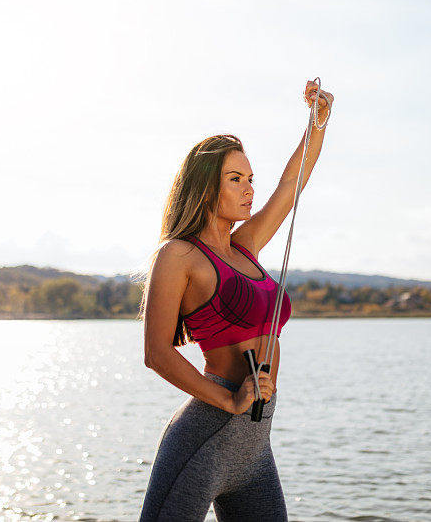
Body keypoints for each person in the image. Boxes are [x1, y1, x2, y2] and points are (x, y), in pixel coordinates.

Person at [138, 80, 333, 521]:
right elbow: (155, 353)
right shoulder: (180, 255)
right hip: (206, 435)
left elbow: (292, 182)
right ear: (207, 187)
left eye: (250, 179)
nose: (249, 189)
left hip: (255, 444)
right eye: (235, 179)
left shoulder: (244, 246)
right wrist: (227, 401)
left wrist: (318, 121)